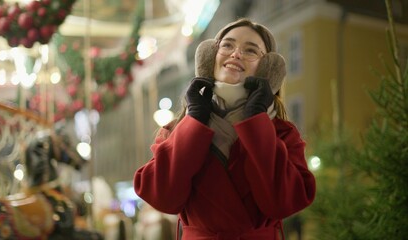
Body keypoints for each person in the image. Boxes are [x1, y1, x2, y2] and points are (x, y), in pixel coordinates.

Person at [133, 18, 316, 240]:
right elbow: (162, 197)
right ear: (210, 57)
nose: (235, 54)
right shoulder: (177, 130)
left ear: (268, 69)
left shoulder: (282, 133)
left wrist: (257, 122)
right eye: (227, 45)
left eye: (250, 51)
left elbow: (283, 202)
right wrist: (194, 122)